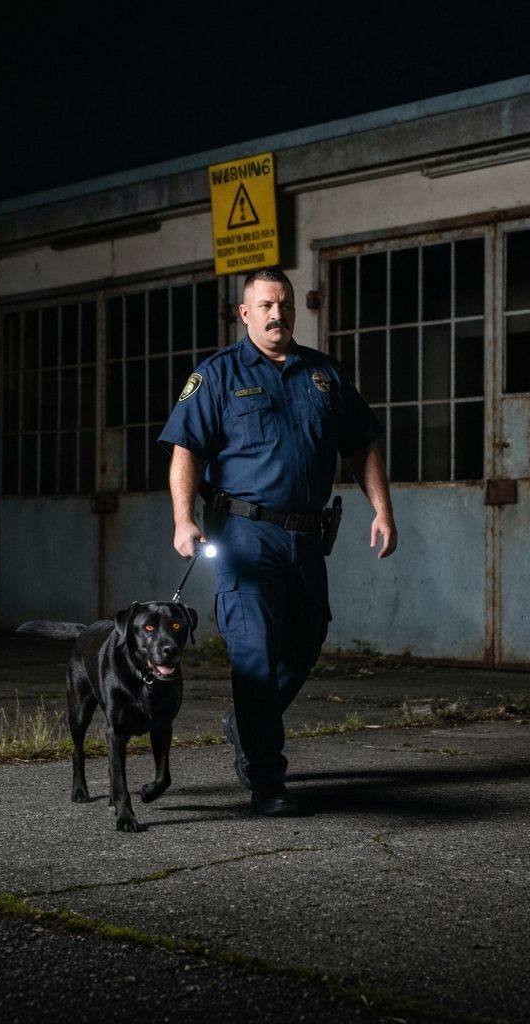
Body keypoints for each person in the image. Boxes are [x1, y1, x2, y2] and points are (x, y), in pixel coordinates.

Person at [159, 267, 397, 816]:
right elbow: (186, 451)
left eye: (285, 304)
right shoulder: (218, 374)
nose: (277, 314)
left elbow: (361, 445)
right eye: (265, 305)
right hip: (246, 533)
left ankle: (246, 722)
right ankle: (268, 779)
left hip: (308, 536)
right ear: (245, 314)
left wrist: (382, 510)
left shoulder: (324, 375)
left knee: (308, 636)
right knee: (255, 655)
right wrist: (182, 518)